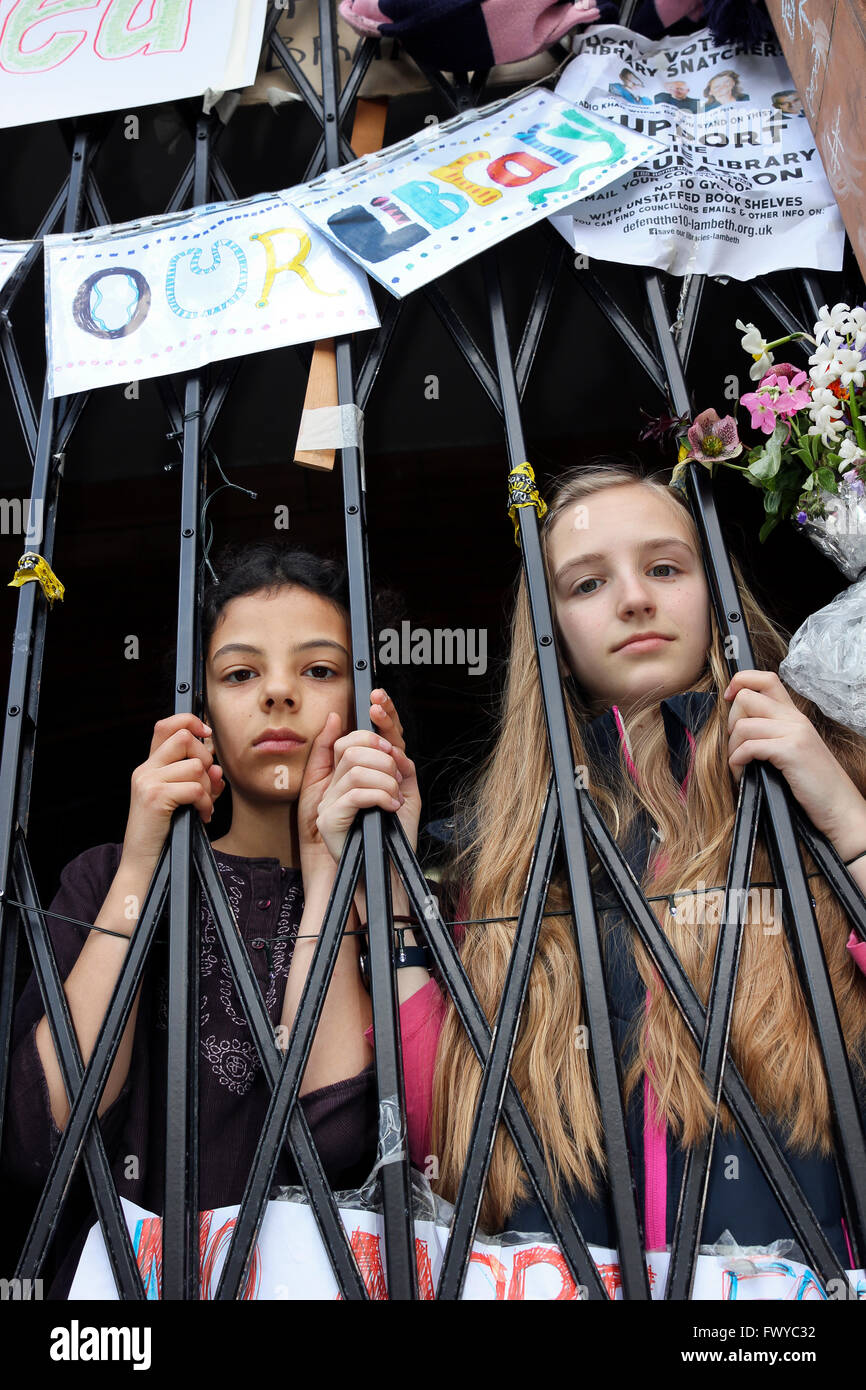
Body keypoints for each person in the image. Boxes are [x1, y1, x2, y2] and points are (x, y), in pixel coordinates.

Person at [388, 461, 866, 1284]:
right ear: (552, 641)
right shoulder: (499, 857)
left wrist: (846, 825)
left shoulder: (833, 773)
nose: (635, 600)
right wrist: (386, 885)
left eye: (665, 568)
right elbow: (447, 1134)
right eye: (586, 584)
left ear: (714, 599)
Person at [3, 540, 422, 1298]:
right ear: (200, 711)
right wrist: (140, 865)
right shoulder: (104, 876)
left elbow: (335, 1144)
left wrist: (330, 875)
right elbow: (45, 1136)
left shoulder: (393, 898)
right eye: (240, 673)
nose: (279, 695)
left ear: (366, 703)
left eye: (319, 670)